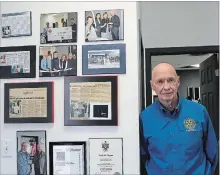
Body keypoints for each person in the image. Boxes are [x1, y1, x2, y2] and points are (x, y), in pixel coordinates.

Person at [140, 62, 218, 175]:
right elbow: (143, 156)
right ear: (152, 85)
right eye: (160, 82)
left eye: (171, 80)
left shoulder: (199, 111)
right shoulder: (145, 117)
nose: (166, 87)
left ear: (178, 82)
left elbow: (212, 153)